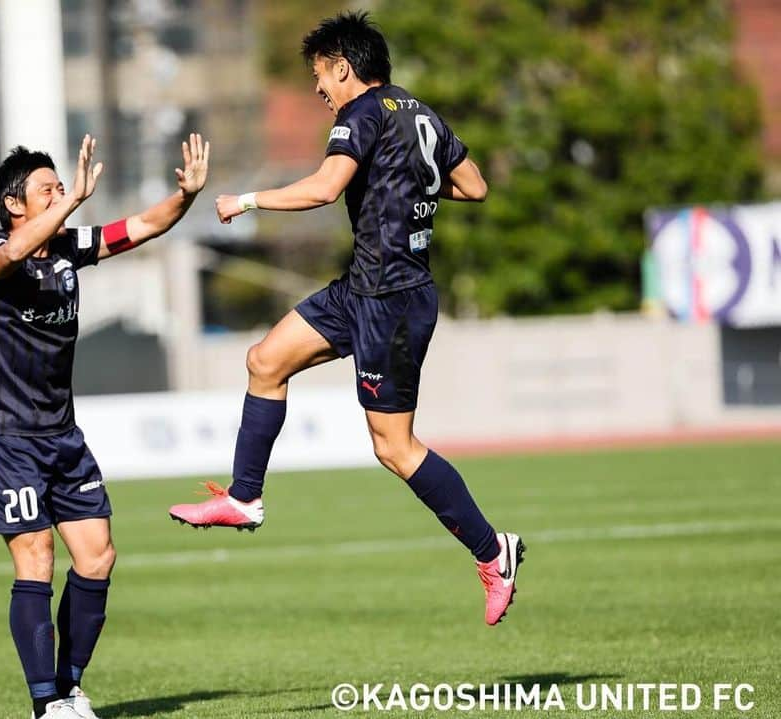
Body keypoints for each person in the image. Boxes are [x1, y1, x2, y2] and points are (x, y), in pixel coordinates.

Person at [167, 12, 523, 626]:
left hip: (393, 299)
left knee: (393, 447)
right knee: (265, 360)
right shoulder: (421, 112)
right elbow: (475, 185)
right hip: (362, 288)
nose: (317, 88)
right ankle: (244, 498)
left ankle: (494, 553)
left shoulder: (358, 114)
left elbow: (326, 189)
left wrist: (246, 200)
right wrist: (408, 188)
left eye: (320, 74)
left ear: (345, 67)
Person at [0, 133, 210, 719]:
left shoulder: (68, 251)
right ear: (14, 205)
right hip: (6, 434)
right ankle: (45, 702)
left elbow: (143, 227)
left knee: (97, 556)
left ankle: (70, 686)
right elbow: (8, 257)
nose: (60, 195)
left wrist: (187, 198)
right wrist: (70, 201)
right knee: (36, 558)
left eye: (61, 187)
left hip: (61, 433)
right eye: (46, 190)